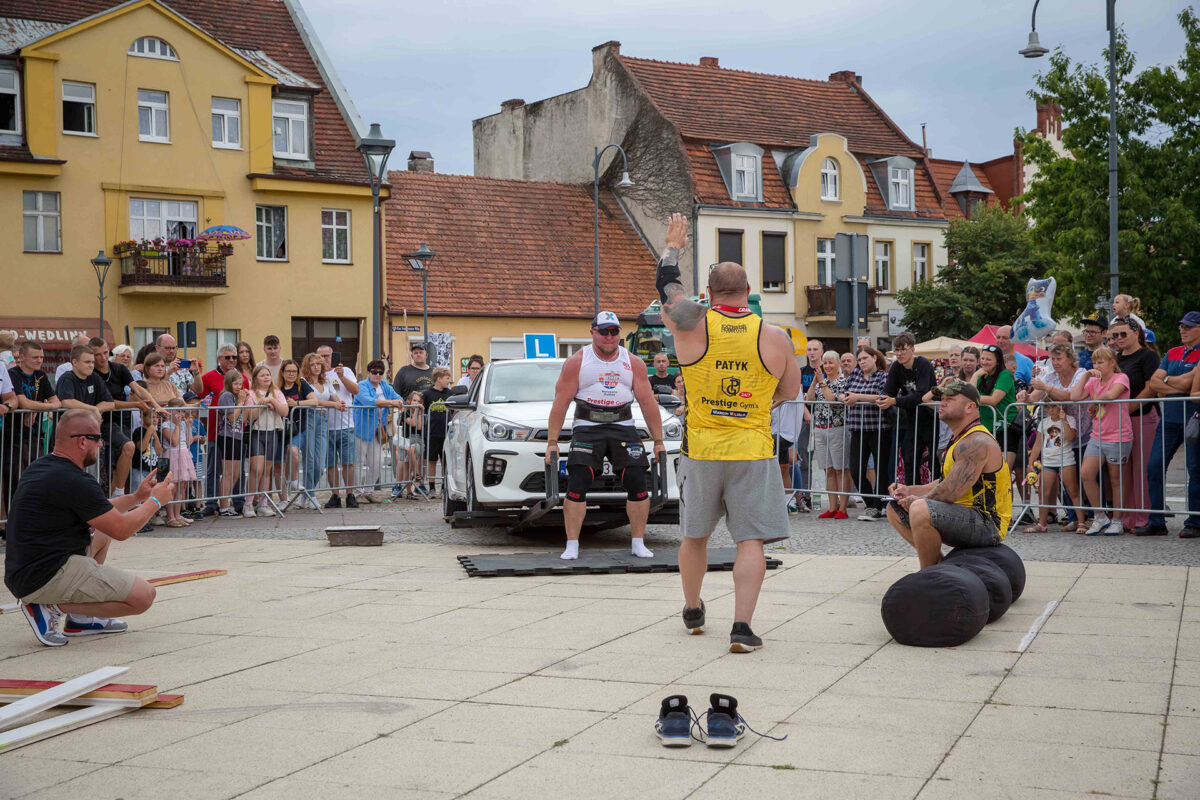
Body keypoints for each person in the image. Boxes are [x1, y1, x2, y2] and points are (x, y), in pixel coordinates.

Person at [654, 213, 800, 653]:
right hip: (752, 448)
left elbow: (667, 288)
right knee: (749, 540)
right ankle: (742, 627)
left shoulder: (690, 323)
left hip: (701, 448)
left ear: (709, 294)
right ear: (750, 292)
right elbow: (791, 391)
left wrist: (672, 247)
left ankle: (694, 608)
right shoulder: (774, 335)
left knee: (694, 536)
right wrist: (754, 404)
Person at [4, 409, 172, 646]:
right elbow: (122, 530)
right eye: (98, 439)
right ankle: (51, 606)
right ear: (82, 441)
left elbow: (99, 509)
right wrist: (156, 502)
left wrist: (137, 497)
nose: (101, 445)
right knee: (143, 597)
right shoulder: (74, 479)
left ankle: (79, 618)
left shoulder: (44, 466)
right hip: (44, 575)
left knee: (102, 527)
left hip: (28, 570)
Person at [885, 380, 1012, 568]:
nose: (941, 403)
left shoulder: (976, 442)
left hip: (987, 523)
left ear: (970, 407)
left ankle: (928, 574)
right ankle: (939, 566)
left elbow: (949, 492)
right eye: (941, 398)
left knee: (920, 509)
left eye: (950, 399)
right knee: (894, 508)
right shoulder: (960, 438)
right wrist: (908, 490)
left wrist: (916, 501)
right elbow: (946, 481)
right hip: (967, 515)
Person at [1141, 311, 1200, 537]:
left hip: (1193, 418)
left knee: (1195, 470)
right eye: (1181, 326)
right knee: (1154, 465)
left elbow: (1188, 383)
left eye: (1188, 326)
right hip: (1170, 420)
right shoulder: (1173, 352)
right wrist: (1180, 385)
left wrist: (1169, 381)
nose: (1182, 330)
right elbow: (1155, 383)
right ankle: (1156, 519)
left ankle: (1194, 520)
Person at [55, 345, 139, 498]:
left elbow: (110, 403)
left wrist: (95, 409)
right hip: (70, 436)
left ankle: (115, 495)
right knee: (71, 474)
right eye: (87, 362)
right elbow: (67, 401)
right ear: (75, 363)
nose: (91, 365)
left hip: (90, 434)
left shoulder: (94, 378)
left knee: (92, 474)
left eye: (92, 362)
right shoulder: (67, 378)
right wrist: (92, 410)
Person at [1025, 342, 1090, 529]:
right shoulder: (1050, 376)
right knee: (1056, 487)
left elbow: (1071, 396)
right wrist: (1026, 396)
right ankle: (1069, 518)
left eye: (1059, 358)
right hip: (1054, 449)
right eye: (1053, 358)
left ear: (1070, 358)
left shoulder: (1080, 373)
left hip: (1082, 429)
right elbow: (1036, 397)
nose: (1055, 362)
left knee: (1079, 481)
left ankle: (1087, 517)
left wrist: (1046, 387)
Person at [1070, 346, 1134, 535]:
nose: (1097, 365)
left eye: (1101, 361)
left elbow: (1111, 395)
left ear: (1112, 363)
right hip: (1097, 436)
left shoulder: (1120, 378)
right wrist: (1085, 376)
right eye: (1095, 361)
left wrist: (1095, 403)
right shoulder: (1093, 381)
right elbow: (1074, 396)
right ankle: (1100, 516)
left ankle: (1118, 519)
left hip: (1118, 435)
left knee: (1116, 479)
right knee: (1086, 474)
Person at [1109, 317, 1161, 532]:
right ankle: (1128, 518)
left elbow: (1151, 388)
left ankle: (1144, 518)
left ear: (1137, 333)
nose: (1118, 338)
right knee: (1125, 470)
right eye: (1115, 335)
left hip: (1143, 417)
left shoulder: (1148, 356)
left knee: (1142, 469)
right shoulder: (1117, 358)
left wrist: (1127, 409)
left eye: (1123, 334)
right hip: (1122, 420)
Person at [5, 342, 61, 512]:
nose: (40, 361)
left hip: (34, 435)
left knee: (36, 478)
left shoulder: (41, 376)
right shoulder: (12, 374)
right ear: (21, 357)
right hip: (12, 436)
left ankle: (32, 520)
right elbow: (21, 402)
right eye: (35, 357)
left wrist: (35, 407)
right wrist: (37, 406)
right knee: (14, 481)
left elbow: (56, 401)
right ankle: (11, 524)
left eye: (42, 357)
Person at [194, 344, 247, 516]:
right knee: (214, 469)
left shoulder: (243, 378)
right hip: (216, 431)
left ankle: (238, 500)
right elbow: (197, 395)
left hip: (238, 432)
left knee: (237, 470)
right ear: (219, 359)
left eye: (234, 357)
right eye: (227, 357)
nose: (231, 360)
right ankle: (212, 502)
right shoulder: (209, 377)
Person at [842, 347, 892, 521]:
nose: (862, 361)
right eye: (860, 359)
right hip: (857, 428)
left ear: (875, 358)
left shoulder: (883, 376)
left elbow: (881, 396)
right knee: (855, 469)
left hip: (879, 428)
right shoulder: (854, 375)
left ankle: (877, 507)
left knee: (881, 469)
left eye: (865, 358)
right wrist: (845, 398)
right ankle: (870, 503)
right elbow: (843, 392)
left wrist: (857, 397)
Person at [879, 332, 937, 486]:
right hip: (912, 419)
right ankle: (912, 497)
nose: (900, 353)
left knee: (934, 461)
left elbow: (921, 394)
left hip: (932, 418)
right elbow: (888, 390)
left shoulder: (923, 364)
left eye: (903, 349)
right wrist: (885, 399)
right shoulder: (896, 367)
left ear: (912, 349)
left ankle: (936, 497)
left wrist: (895, 400)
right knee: (910, 461)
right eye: (897, 350)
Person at [292, 353, 340, 509]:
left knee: (320, 464)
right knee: (310, 460)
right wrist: (333, 405)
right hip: (310, 419)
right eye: (312, 364)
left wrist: (340, 403)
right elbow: (315, 401)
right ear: (307, 366)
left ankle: (305, 493)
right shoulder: (303, 381)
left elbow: (334, 397)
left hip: (324, 420)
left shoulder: (325, 380)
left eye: (319, 364)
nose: (316, 367)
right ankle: (311, 495)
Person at [1026, 403, 1082, 533]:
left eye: (1053, 406)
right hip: (1048, 461)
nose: (1050, 410)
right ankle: (1042, 523)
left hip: (1066, 460)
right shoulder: (1044, 422)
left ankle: (1081, 522)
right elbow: (1038, 444)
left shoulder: (1070, 419)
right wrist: (1030, 462)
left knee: (1073, 491)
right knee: (1043, 492)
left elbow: (1070, 437)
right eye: (1047, 407)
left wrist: (1064, 420)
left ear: (1062, 407)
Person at [808, 350, 850, 519]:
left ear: (839, 364)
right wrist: (814, 382)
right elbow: (809, 399)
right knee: (828, 470)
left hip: (837, 427)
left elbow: (832, 401)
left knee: (841, 469)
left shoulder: (843, 382)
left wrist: (822, 384)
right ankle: (832, 506)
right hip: (820, 428)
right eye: (825, 363)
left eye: (831, 362)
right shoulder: (820, 382)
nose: (827, 366)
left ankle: (843, 508)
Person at [353, 359, 405, 498]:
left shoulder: (384, 385)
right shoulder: (361, 385)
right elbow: (368, 401)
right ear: (368, 372)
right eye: (374, 372)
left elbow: (398, 397)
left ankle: (368, 491)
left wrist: (399, 401)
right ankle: (357, 492)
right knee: (358, 461)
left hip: (377, 429)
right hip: (361, 428)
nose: (377, 375)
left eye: (380, 373)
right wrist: (391, 402)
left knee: (378, 461)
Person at [243, 365, 288, 518]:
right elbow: (250, 416)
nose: (266, 377)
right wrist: (262, 405)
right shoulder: (251, 394)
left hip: (272, 433)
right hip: (257, 433)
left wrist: (272, 402)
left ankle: (264, 502)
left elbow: (284, 411)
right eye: (262, 375)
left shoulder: (277, 393)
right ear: (255, 378)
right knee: (257, 469)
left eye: (268, 374)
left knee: (267, 470)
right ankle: (248, 502)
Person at [318, 345, 359, 508]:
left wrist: (342, 377)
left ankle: (350, 493)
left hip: (345, 424)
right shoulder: (316, 373)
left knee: (348, 462)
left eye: (327, 356)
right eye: (321, 356)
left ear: (333, 356)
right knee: (330, 463)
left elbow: (355, 390)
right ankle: (335, 494)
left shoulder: (346, 371)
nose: (324, 359)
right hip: (325, 424)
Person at [793, 339, 824, 510]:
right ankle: (805, 494)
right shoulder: (801, 371)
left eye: (815, 349)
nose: (812, 352)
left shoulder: (827, 370)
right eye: (809, 349)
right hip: (805, 419)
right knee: (803, 458)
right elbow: (797, 393)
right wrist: (805, 411)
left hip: (825, 419)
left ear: (821, 351)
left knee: (829, 462)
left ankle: (840, 497)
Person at [159, 399, 197, 528]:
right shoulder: (166, 425)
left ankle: (177, 514)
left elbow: (188, 441)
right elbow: (174, 442)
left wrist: (188, 426)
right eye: (176, 411)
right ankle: (170, 516)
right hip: (171, 455)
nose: (179, 414)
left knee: (182, 487)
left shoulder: (181, 424)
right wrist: (176, 425)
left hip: (183, 453)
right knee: (172, 487)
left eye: (181, 411)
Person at [215, 370, 248, 517]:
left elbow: (244, 417)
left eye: (240, 384)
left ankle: (226, 504)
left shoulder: (236, 397)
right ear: (229, 383)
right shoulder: (227, 396)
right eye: (235, 383)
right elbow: (231, 418)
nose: (238, 387)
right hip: (228, 436)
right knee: (228, 473)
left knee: (236, 473)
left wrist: (245, 400)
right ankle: (223, 507)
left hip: (238, 436)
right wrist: (241, 402)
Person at [771, 382, 805, 514]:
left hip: (785, 433)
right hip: (777, 431)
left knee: (767, 468)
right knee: (783, 467)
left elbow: (791, 391)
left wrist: (771, 406)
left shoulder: (791, 385)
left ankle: (772, 502)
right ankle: (789, 503)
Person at [422, 368, 456, 498]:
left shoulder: (450, 394)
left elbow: (454, 410)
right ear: (439, 379)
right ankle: (431, 487)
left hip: (446, 432)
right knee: (431, 461)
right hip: (431, 432)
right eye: (447, 378)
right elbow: (422, 407)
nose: (449, 381)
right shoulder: (428, 394)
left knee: (444, 461)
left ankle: (444, 486)